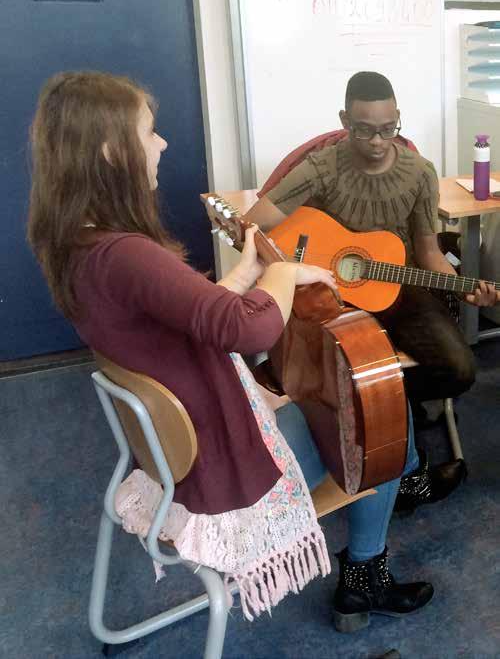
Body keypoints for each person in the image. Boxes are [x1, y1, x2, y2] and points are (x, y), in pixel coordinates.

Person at [27, 71, 433, 632]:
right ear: (109, 149)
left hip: (177, 449)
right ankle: (366, 574)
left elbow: (186, 312)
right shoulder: (129, 255)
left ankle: (406, 481)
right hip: (220, 462)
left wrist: (246, 272)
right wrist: (285, 273)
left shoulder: (81, 242)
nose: (163, 144)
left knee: (374, 406)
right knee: (380, 408)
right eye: (150, 132)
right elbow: (252, 332)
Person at [246, 70, 499, 513]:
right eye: (364, 130)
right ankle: (394, 456)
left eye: (387, 129)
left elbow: (427, 250)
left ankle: (372, 415)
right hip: (333, 297)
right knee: (350, 368)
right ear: (345, 120)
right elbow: (256, 220)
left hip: (398, 287)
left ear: (398, 119)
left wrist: (464, 290)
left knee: (459, 369)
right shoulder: (322, 167)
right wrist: (296, 265)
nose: (377, 140)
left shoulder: (420, 171)